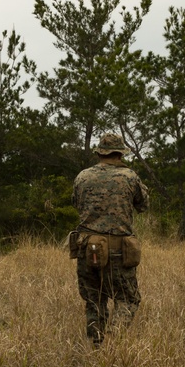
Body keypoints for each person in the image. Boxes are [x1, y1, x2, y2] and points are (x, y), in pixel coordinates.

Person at [71, 133, 149, 345]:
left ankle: (96, 346)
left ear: (100, 153)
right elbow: (143, 206)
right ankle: (114, 341)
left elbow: (77, 204)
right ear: (120, 153)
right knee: (128, 299)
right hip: (117, 251)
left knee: (94, 301)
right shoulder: (129, 177)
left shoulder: (82, 177)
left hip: (87, 248)